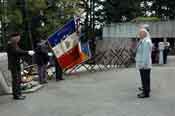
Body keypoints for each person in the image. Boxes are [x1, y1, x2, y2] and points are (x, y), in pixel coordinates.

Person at [7, 32, 35, 100]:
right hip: (14, 65)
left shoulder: (15, 44)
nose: (19, 39)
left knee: (19, 80)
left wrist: (27, 52)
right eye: (18, 37)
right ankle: (16, 95)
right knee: (16, 80)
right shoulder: (10, 44)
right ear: (14, 38)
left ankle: (19, 93)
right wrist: (27, 52)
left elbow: (20, 51)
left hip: (17, 65)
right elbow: (16, 52)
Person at [135, 28, 152, 98]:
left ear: (145, 34)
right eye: (139, 33)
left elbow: (145, 54)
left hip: (144, 64)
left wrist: (143, 64)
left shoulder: (146, 42)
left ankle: (145, 93)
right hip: (143, 63)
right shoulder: (143, 41)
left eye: (141, 33)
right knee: (145, 78)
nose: (139, 34)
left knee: (145, 78)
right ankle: (146, 91)